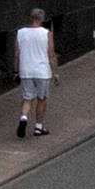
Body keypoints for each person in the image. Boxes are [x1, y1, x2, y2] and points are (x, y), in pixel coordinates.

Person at [13, 9, 58, 138]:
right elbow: (51, 54)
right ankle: (38, 127)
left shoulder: (20, 33)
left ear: (31, 18)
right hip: (42, 71)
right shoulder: (46, 33)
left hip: (26, 70)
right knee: (41, 99)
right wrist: (55, 72)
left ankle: (23, 117)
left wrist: (15, 71)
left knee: (27, 98)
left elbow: (16, 54)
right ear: (41, 19)